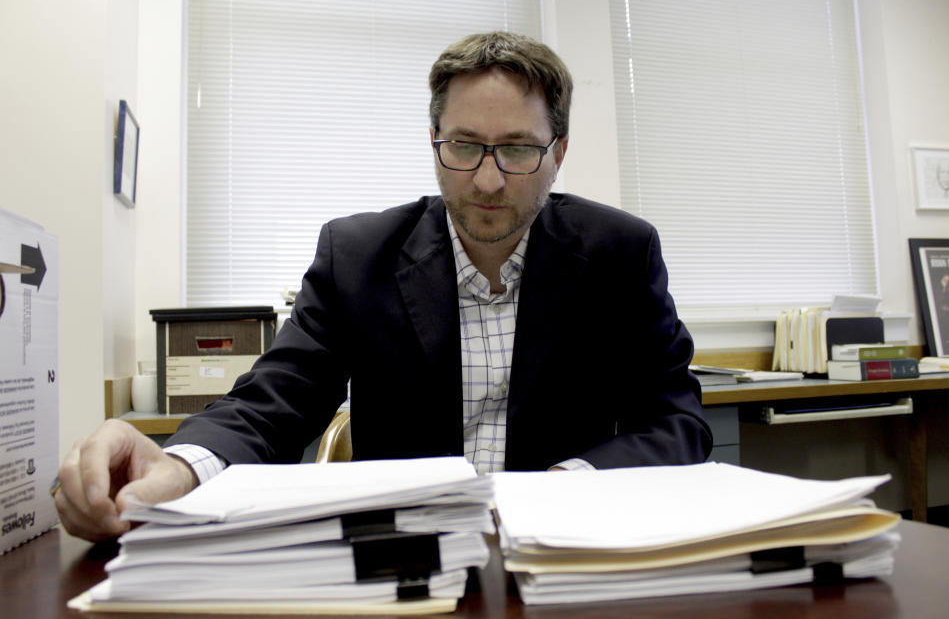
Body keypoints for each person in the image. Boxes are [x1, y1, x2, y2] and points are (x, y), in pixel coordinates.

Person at [53, 31, 712, 542]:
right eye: (464, 146)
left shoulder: (619, 254)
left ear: (557, 153)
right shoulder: (357, 256)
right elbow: (272, 406)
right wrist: (175, 469)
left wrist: (568, 485)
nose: (486, 181)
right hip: (401, 558)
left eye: (516, 150)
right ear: (433, 142)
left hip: (567, 554)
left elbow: (676, 419)